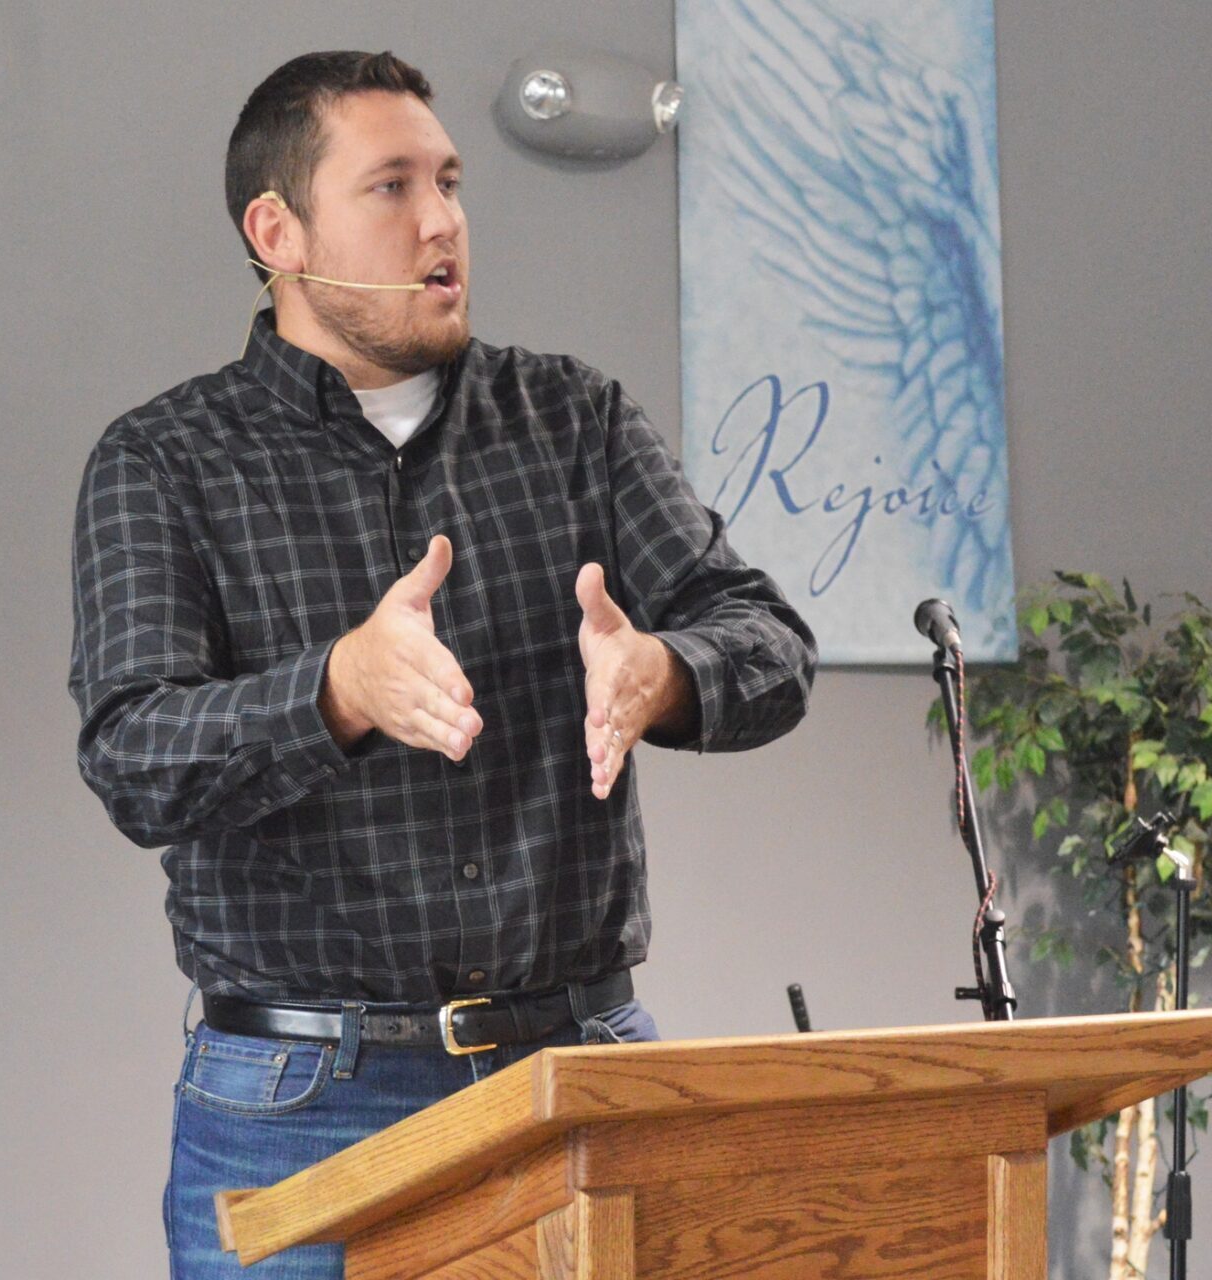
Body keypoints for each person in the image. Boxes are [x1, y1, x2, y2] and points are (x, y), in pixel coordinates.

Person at [67, 50, 818, 1278]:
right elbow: (134, 758)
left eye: (453, 184)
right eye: (391, 187)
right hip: (301, 1103)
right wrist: (336, 691)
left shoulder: (574, 418)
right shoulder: (163, 461)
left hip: (575, 1064)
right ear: (278, 229)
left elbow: (767, 640)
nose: (443, 222)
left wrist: (664, 670)